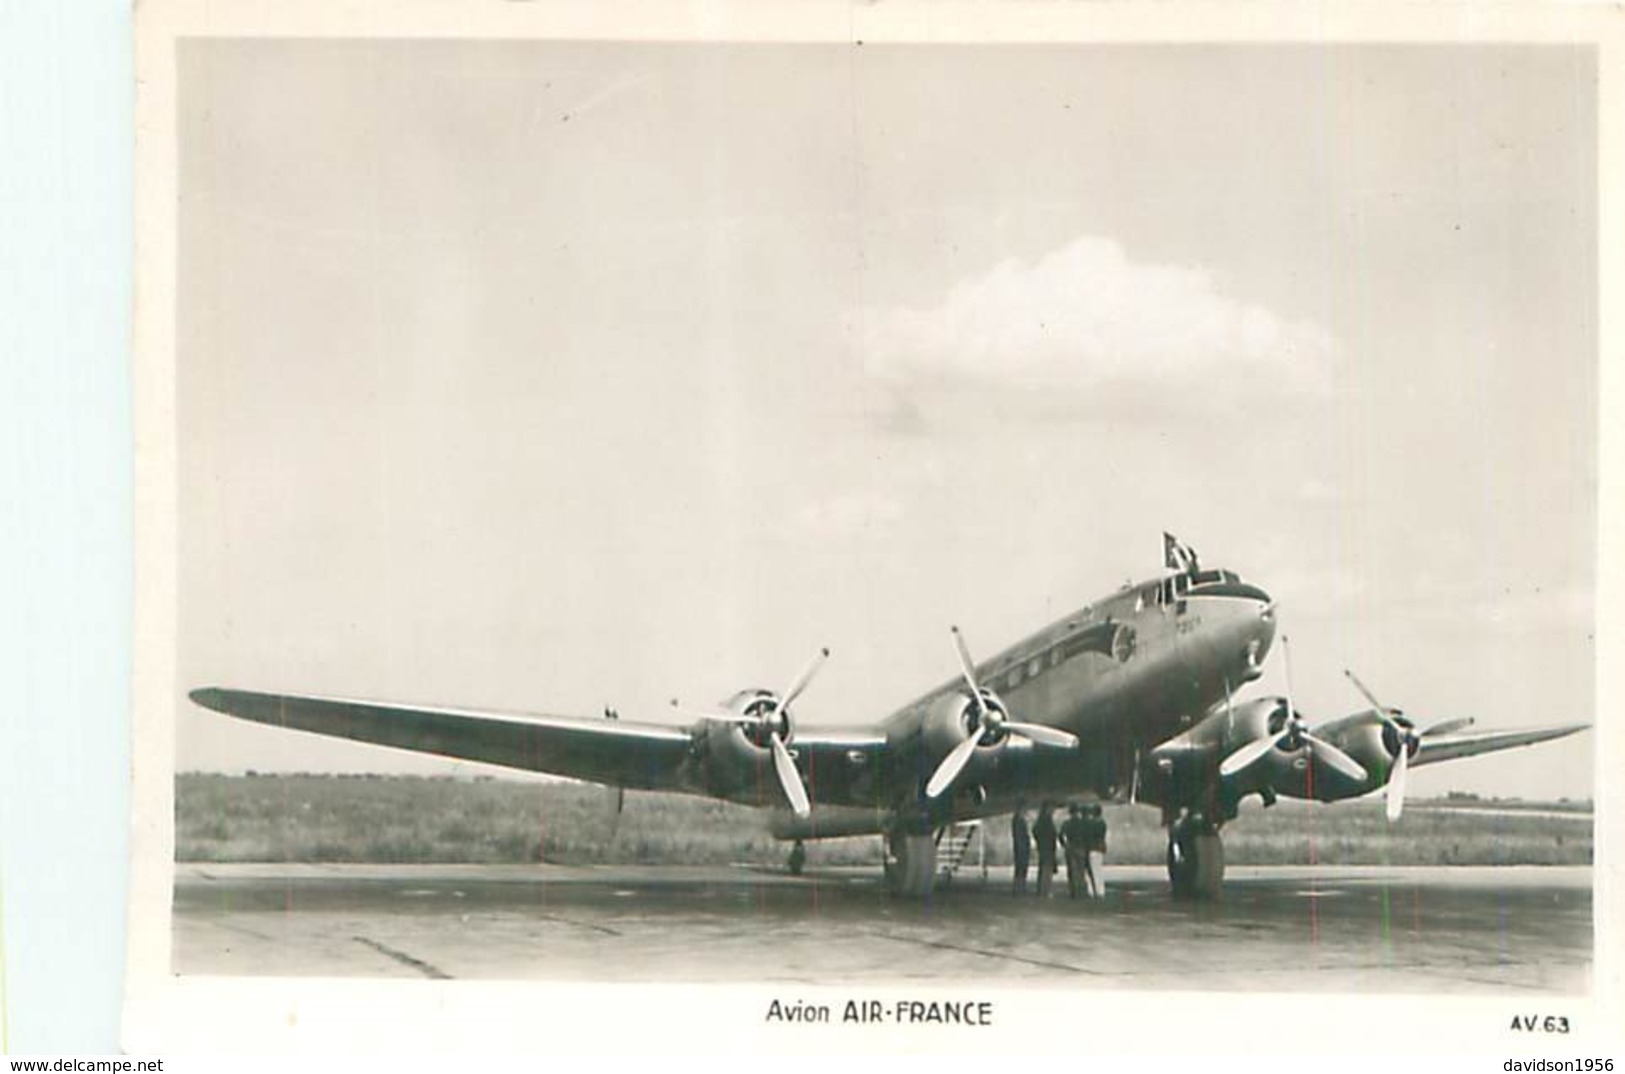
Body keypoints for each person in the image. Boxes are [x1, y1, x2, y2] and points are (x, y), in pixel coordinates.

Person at [1061, 804, 1089, 899]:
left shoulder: (1067, 823)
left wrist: (1064, 845)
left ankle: (1073, 891)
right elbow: (1086, 834)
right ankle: (1082, 891)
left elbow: (1061, 835)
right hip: (1080, 847)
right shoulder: (1082, 823)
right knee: (1081, 870)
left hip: (1070, 846)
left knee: (1072, 871)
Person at [1033, 802, 1058, 897]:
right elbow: (1052, 834)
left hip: (1043, 847)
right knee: (1047, 870)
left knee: (1043, 868)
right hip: (1048, 848)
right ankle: (1045, 890)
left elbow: (1035, 831)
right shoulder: (1047, 821)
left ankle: (1041, 889)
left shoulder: (1040, 821)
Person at [1083, 803, 1109, 899]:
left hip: (1093, 848)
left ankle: (1094, 891)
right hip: (1100, 848)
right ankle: (1099, 891)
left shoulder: (1093, 824)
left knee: (1093, 871)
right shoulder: (1102, 823)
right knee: (1098, 870)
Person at [1009, 804, 1032, 895]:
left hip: (1020, 847)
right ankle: (1019, 888)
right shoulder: (1019, 820)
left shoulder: (1017, 820)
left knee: (1020, 868)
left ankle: (1019, 887)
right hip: (1021, 847)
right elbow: (1021, 836)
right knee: (1021, 868)